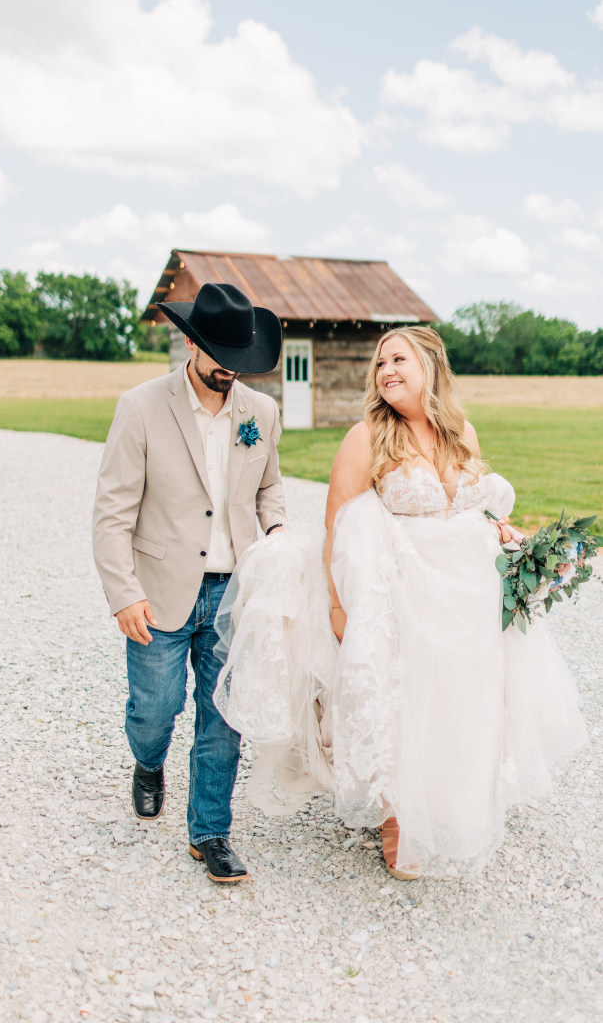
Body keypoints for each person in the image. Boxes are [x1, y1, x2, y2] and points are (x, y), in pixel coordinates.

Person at [214, 326, 586, 879]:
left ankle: (449, 796)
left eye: (398, 359)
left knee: (458, 695)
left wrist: (513, 539)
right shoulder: (367, 437)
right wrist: (339, 607)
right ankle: (395, 814)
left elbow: (474, 510)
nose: (386, 370)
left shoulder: (462, 433)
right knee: (402, 697)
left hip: (460, 591)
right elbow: (337, 519)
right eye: (380, 362)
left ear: (430, 365)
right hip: (397, 592)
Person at [92, 282, 286, 884]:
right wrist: (124, 592)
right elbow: (112, 511)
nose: (231, 369)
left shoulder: (262, 414)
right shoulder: (141, 406)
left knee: (222, 715)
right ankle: (148, 763)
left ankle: (210, 832)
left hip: (234, 593)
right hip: (158, 588)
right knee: (157, 710)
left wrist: (277, 533)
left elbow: (269, 488)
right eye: (220, 356)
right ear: (190, 343)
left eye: (240, 360)